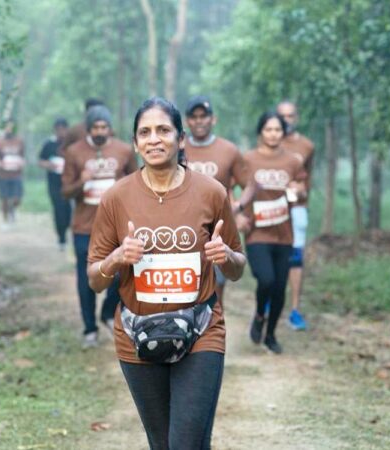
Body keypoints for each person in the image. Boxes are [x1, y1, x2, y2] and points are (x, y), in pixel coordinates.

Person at [87, 97, 246, 449]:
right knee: (164, 444)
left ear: (181, 138)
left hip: (202, 329)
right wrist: (116, 258)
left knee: (185, 443)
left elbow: (237, 268)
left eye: (163, 130)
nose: (154, 139)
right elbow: (95, 279)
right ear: (135, 143)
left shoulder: (212, 192)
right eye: (145, 132)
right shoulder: (116, 198)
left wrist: (225, 256)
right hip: (136, 335)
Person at [62, 105, 138, 348]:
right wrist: (81, 182)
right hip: (85, 227)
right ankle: (89, 329)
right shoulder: (74, 152)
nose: (100, 132)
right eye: (95, 128)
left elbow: (137, 183)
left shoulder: (124, 150)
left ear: (110, 128)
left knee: (119, 274)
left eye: (104, 127)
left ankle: (108, 312)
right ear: (88, 129)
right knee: (86, 280)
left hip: (116, 227)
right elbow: (65, 191)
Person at [235, 111, 306, 354]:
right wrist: (237, 214)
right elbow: (232, 187)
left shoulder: (293, 161)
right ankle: (259, 314)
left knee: (279, 287)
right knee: (266, 279)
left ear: (283, 133)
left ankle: (271, 334)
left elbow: (299, 195)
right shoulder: (248, 159)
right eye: (268, 130)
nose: (273, 134)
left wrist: (296, 190)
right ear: (260, 133)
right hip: (257, 233)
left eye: (277, 130)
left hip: (283, 234)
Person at [183, 95, 246, 307]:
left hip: (218, 228)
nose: (199, 121)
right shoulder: (176, 149)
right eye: (194, 117)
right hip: (183, 225)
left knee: (217, 283)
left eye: (204, 116)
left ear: (213, 119)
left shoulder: (229, 150)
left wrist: (239, 207)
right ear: (187, 121)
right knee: (186, 285)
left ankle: (214, 330)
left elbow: (250, 183)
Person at [277, 100, 315, 331]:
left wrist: (301, 190)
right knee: (273, 257)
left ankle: (294, 310)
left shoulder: (307, 146)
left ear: (296, 118)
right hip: (270, 210)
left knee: (296, 258)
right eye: (282, 116)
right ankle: (270, 303)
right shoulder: (268, 141)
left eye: (290, 116)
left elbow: (307, 178)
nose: (286, 120)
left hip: (297, 208)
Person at [38, 118, 72, 251]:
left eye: (64, 129)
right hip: (54, 183)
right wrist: (49, 165)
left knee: (68, 210)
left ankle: (67, 229)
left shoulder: (71, 145)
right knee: (58, 209)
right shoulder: (49, 145)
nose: (61, 133)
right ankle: (61, 237)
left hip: (69, 183)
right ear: (55, 130)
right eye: (59, 130)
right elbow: (41, 160)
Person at [0, 121, 26, 228]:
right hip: (2, 175)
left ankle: (12, 210)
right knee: (4, 198)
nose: (9, 129)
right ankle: (5, 221)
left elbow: (22, 156)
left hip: (16, 174)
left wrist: (21, 162)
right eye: (7, 127)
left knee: (17, 198)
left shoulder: (19, 141)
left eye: (11, 127)